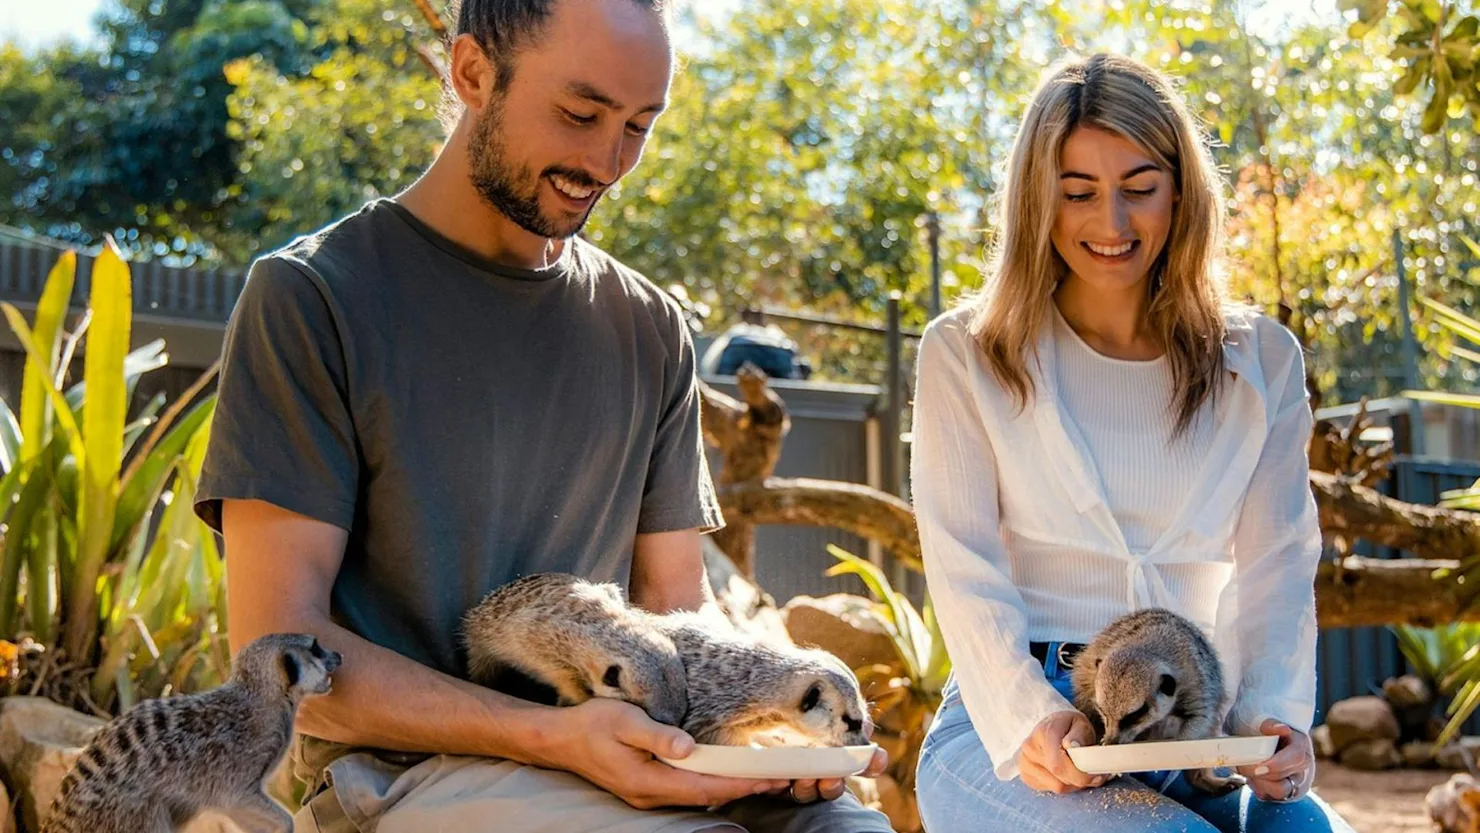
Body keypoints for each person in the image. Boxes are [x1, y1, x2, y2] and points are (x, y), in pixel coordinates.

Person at [191, 0, 890, 830]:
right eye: (581, 112)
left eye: (639, 124)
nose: (607, 159)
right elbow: (278, 658)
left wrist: (759, 738)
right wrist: (556, 736)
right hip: (408, 780)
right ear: (473, 72)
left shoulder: (651, 324)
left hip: (630, 750)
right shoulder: (313, 297)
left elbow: (678, 614)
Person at [907, 53, 1355, 832]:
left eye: (1139, 189)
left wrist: (1275, 715)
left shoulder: (1263, 360)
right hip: (1017, 722)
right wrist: (1028, 719)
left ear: (1181, 191)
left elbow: (1278, 559)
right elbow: (962, 564)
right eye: (1077, 193)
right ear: (1036, 201)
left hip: (1197, 717)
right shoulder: (966, 351)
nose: (1111, 224)